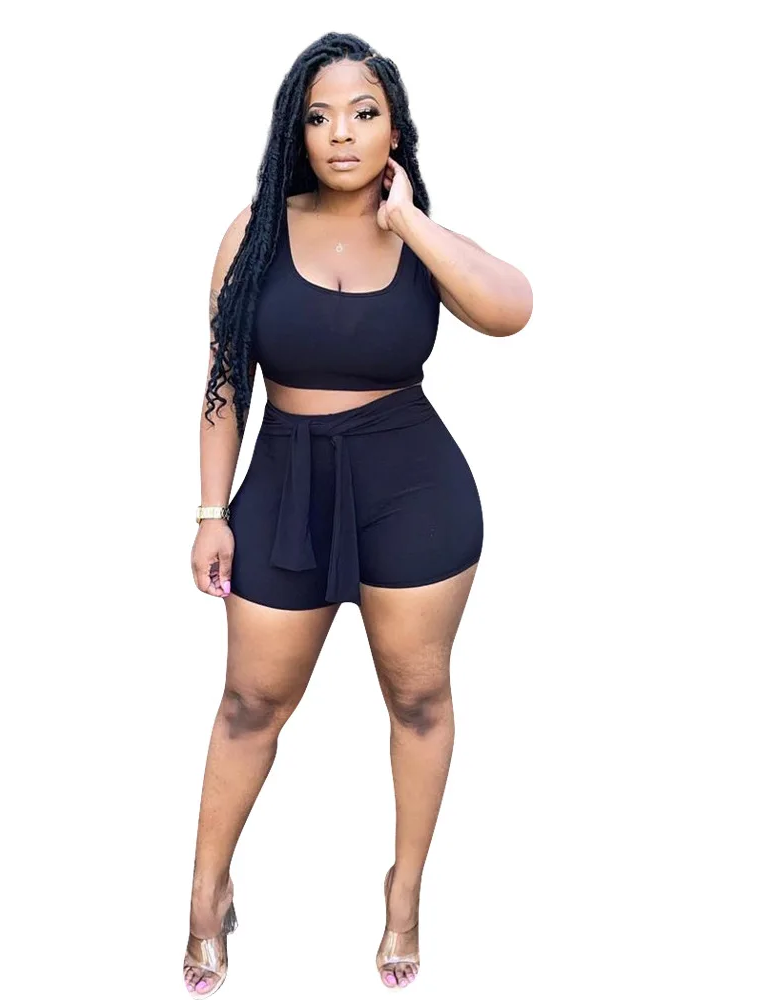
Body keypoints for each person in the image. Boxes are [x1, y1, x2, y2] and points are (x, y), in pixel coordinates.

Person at [184, 32, 533, 995]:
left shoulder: (421, 237)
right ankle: (207, 891)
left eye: (364, 112)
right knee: (250, 704)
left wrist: (408, 221)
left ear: (394, 130)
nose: (341, 132)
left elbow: (512, 309)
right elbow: (224, 382)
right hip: (285, 483)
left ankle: (404, 895)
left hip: (411, 486)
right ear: (296, 132)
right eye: (320, 115)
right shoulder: (255, 231)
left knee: (418, 699)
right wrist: (211, 510)